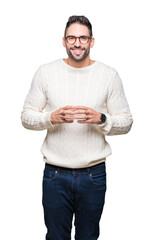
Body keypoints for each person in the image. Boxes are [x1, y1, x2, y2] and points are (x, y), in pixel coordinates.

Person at [21, 15, 133, 240]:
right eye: (72, 38)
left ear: (91, 41)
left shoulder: (108, 75)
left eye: (83, 38)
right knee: (55, 237)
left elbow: (127, 122)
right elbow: (26, 117)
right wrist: (50, 117)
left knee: (89, 236)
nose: (77, 43)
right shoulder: (46, 72)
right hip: (55, 174)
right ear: (64, 41)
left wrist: (102, 119)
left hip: (93, 175)